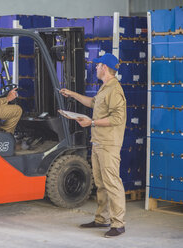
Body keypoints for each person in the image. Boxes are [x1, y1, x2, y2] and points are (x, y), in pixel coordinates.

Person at [59, 53, 127, 238]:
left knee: (112, 182)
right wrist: (71, 94)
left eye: (97, 65)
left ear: (104, 67)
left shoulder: (115, 90)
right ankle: (101, 219)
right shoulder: (104, 88)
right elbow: (92, 103)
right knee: (101, 183)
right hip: (98, 142)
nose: (95, 68)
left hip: (108, 144)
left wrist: (93, 123)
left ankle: (118, 224)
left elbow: (117, 118)